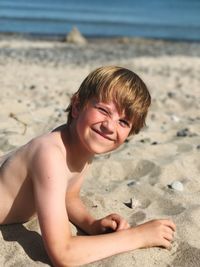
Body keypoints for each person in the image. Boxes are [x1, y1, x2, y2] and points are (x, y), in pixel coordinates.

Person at [0, 66, 176, 266]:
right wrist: (138, 236)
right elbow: (63, 253)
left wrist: (91, 224)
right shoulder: (50, 154)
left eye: (124, 122)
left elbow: (68, 195)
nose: (109, 126)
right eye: (103, 110)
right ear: (76, 105)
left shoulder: (79, 146)